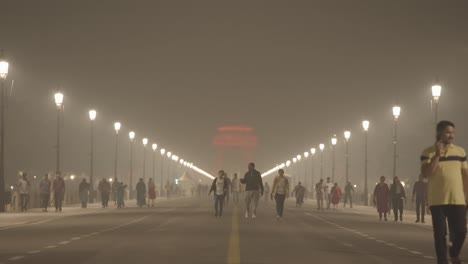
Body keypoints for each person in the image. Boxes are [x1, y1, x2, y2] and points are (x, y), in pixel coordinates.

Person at [420, 120, 468, 264]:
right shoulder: (427, 152)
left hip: (457, 199)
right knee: (440, 234)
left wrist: (466, 197)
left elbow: (465, 176)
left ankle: (454, 253)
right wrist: (437, 155)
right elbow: (427, 174)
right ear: (439, 133)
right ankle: (442, 260)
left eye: (452, 132)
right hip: (437, 200)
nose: (451, 135)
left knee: (461, 231)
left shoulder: (460, 152)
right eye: (448, 132)